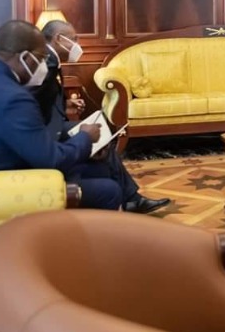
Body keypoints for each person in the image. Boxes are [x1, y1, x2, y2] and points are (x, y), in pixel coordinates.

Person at [0, 20, 169, 214]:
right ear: (25, 58)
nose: (42, 64)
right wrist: (85, 138)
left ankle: (125, 205)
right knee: (108, 190)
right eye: (40, 58)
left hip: (4, 166)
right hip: (8, 183)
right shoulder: (14, 98)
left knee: (101, 167)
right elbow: (52, 159)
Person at [35, 19, 170, 214]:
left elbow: (45, 99)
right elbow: (35, 102)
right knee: (99, 136)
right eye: (73, 39)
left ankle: (129, 198)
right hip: (48, 131)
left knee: (103, 140)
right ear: (59, 39)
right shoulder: (47, 61)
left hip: (53, 125)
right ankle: (128, 199)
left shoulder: (50, 58)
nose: (77, 45)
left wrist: (66, 104)